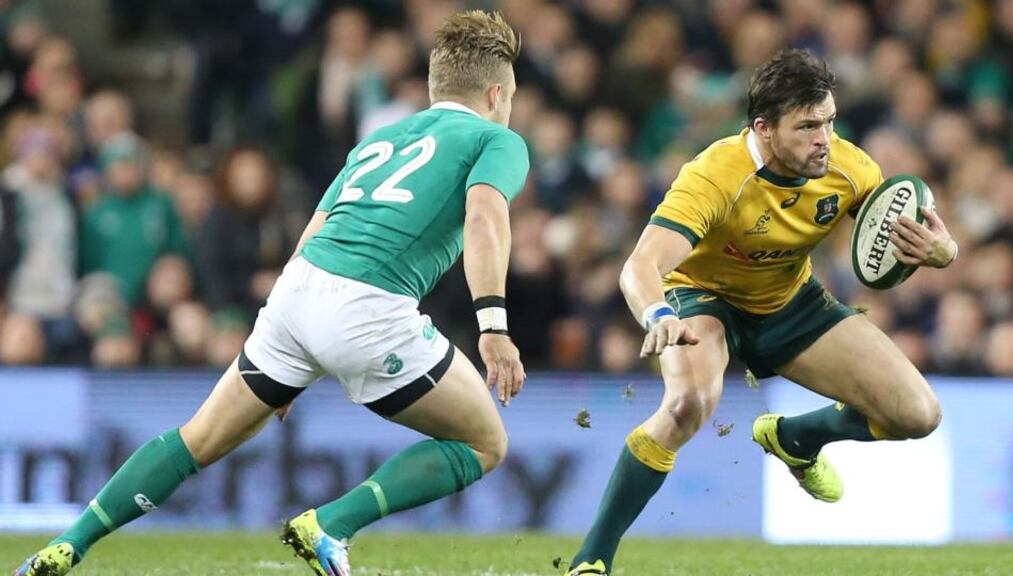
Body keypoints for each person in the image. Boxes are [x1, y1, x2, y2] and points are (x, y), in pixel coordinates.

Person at [16, 10, 528, 576]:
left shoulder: (382, 137)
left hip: (297, 290)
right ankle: (331, 524)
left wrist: (294, 346)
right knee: (485, 442)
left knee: (198, 439)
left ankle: (67, 545)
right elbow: (484, 218)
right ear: (496, 92)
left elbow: (316, 228)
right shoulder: (495, 139)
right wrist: (494, 328)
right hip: (368, 305)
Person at [564, 49, 956, 576]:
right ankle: (591, 560)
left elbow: (909, 235)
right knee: (688, 404)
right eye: (808, 126)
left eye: (830, 121)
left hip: (788, 302)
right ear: (764, 128)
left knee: (918, 415)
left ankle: (796, 438)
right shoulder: (715, 174)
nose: (825, 138)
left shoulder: (850, 167)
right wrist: (657, 313)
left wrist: (942, 252)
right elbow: (640, 266)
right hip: (702, 298)